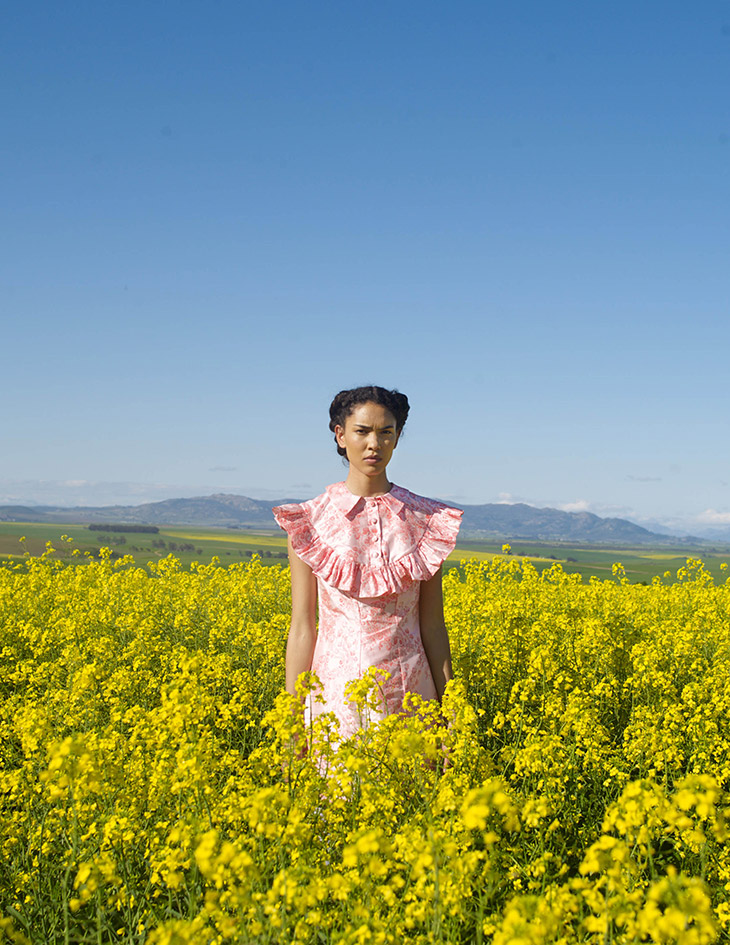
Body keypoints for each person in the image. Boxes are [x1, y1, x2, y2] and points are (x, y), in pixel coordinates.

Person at [272, 386, 463, 740]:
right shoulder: (310, 521)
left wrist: (453, 715)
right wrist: (291, 727)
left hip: (413, 698)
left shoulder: (427, 521)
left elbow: (433, 626)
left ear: (397, 437)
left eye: (386, 432)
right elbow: (302, 627)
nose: (374, 443)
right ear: (340, 435)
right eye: (362, 431)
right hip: (333, 701)